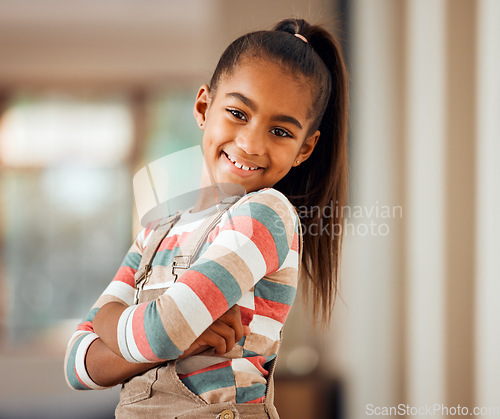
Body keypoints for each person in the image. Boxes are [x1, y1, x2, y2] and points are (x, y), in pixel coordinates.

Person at [64, 17, 349, 418]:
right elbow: (78, 365)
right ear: (203, 107)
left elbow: (158, 335)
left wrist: (111, 319)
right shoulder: (156, 231)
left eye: (281, 132)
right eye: (237, 112)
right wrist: (173, 334)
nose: (250, 143)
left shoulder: (266, 214)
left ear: (305, 149)